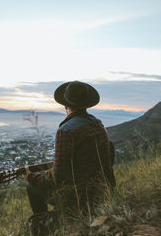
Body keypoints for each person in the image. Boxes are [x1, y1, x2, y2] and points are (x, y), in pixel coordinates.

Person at [23, 81, 116, 219]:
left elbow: (58, 176)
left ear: (65, 105)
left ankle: (46, 224)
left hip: (80, 197)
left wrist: (30, 176)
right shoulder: (99, 125)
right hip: (104, 190)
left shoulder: (66, 131)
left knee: (32, 188)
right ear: (87, 104)